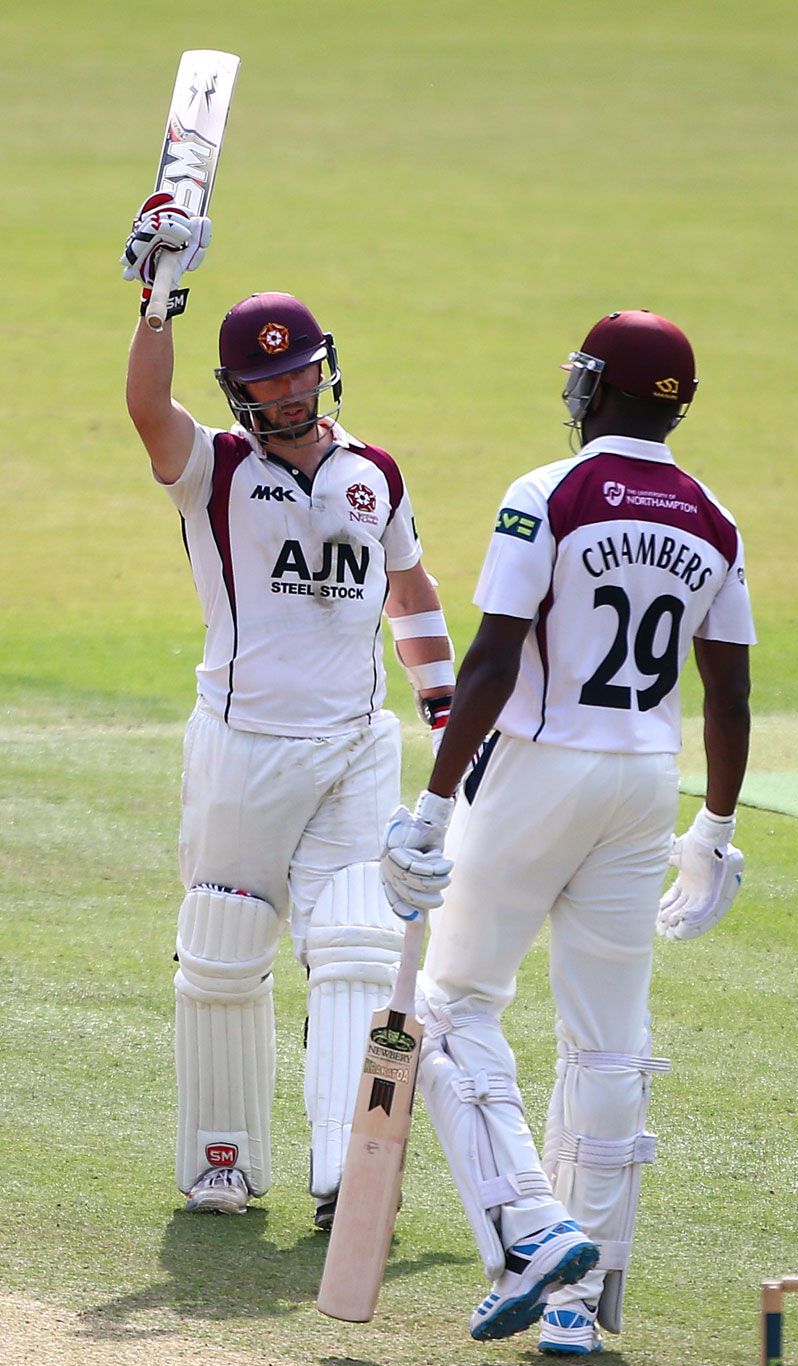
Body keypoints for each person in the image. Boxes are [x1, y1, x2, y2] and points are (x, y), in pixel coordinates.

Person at [381, 309, 754, 1354]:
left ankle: (532, 1228)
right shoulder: (715, 519)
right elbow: (728, 695)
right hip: (645, 778)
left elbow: (494, 662)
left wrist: (432, 806)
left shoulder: (549, 492)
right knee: (608, 1040)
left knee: (449, 1010)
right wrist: (713, 828)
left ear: (598, 388)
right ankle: (580, 1303)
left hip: (542, 765)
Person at [121, 192, 455, 1224]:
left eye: (301, 370)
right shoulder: (213, 471)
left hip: (355, 743)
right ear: (241, 393)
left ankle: (346, 1164)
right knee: (224, 941)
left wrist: (444, 710)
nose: (290, 391)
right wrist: (158, 298)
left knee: (358, 937)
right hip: (242, 744)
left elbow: (411, 590)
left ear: (325, 366)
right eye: (268, 380)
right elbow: (146, 411)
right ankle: (222, 1158)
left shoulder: (374, 472)